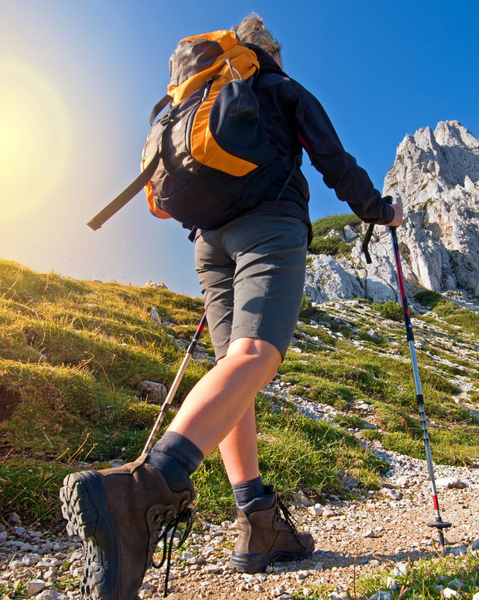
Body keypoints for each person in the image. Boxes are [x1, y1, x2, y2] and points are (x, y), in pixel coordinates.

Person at [60, 13, 404, 600]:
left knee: (233, 372)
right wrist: (379, 210)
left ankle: (257, 523)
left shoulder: (190, 103)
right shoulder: (275, 85)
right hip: (268, 225)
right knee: (257, 357)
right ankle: (142, 489)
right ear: (267, 49)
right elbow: (334, 163)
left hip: (208, 243)